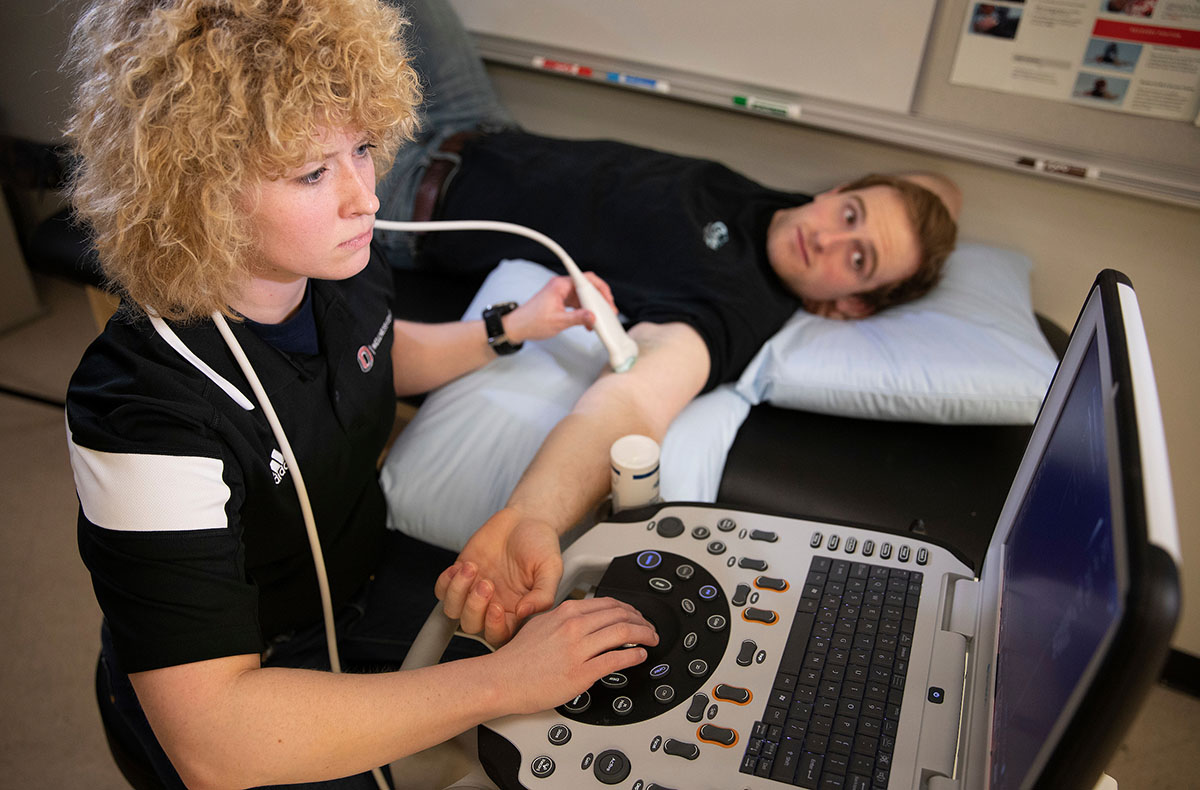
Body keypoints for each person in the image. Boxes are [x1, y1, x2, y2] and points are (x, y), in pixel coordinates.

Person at [63, 0, 658, 788]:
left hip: (361, 589)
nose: (364, 198)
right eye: (314, 172)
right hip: (254, 695)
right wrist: (512, 679)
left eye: (363, 150)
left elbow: (375, 355)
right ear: (196, 188)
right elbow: (217, 741)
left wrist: (511, 328)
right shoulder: (141, 410)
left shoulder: (339, 262)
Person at [371, 0, 962, 646]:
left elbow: (630, 405)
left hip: (404, 192)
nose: (829, 240)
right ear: (834, 193)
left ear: (851, 304)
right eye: (850, 214)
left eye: (858, 259)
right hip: (476, 122)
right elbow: (940, 191)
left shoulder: (734, 313)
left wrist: (530, 515)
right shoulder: (787, 212)